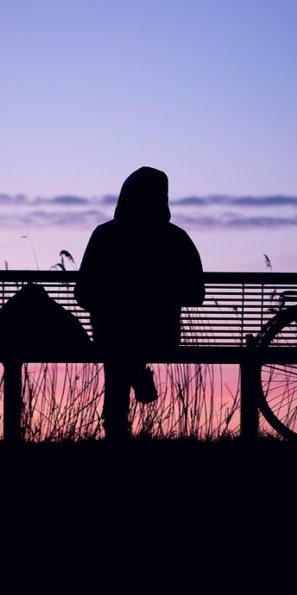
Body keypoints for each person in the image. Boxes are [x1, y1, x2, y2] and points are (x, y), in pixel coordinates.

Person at [75, 166, 205, 440]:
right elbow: (196, 293)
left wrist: (115, 299)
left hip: (111, 334)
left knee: (117, 347)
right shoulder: (175, 238)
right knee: (122, 345)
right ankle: (135, 375)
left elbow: (83, 294)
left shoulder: (105, 234)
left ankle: (116, 427)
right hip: (161, 334)